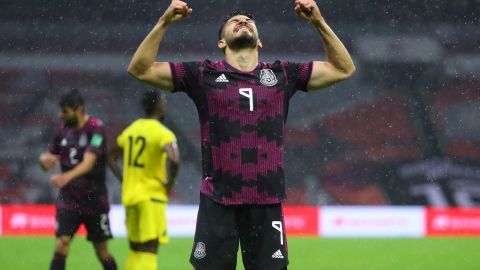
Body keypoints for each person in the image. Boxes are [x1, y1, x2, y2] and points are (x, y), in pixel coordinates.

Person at [127, 0, 355, 269]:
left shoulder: (283, 74)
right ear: (221, 43)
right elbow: (140, 69)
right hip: (218, 200)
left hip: (266, 200)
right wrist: (164, 22)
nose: (242, 21)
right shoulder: (203, 74)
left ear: (259, 42)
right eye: (234, 22)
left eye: (248, 20)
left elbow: (343, 68)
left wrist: (318, 22)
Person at [39, 89, 117, 270]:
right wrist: (43, 160)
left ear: (79, 109)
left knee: (102, 251)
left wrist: (65, 177)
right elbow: (48, 159)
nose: (60, 115)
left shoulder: (97, 128)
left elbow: (89, 162)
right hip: (69, 198)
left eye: (64, 111)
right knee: (62, 244)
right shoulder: (61, 131)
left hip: (94, 199)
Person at [107, 90, 180, 270]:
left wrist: (124, 178)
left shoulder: (132, 130)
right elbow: (174, 159)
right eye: (163, 101)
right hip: (151, 196)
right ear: (159, 106)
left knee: (135, 248)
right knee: (150, 247)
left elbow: (109, 156)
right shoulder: (163, 133)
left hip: (130, 195)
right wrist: (168, 184)